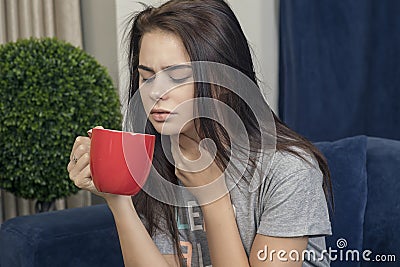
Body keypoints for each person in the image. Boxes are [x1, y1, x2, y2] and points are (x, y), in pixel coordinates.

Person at [67, 0, 333, 266]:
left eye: (178, 77)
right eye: (146, 77)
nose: (155, 92)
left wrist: (214, 198)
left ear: (224, 82)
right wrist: (119, 197)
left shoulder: (290, 171)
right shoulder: (160, 159)